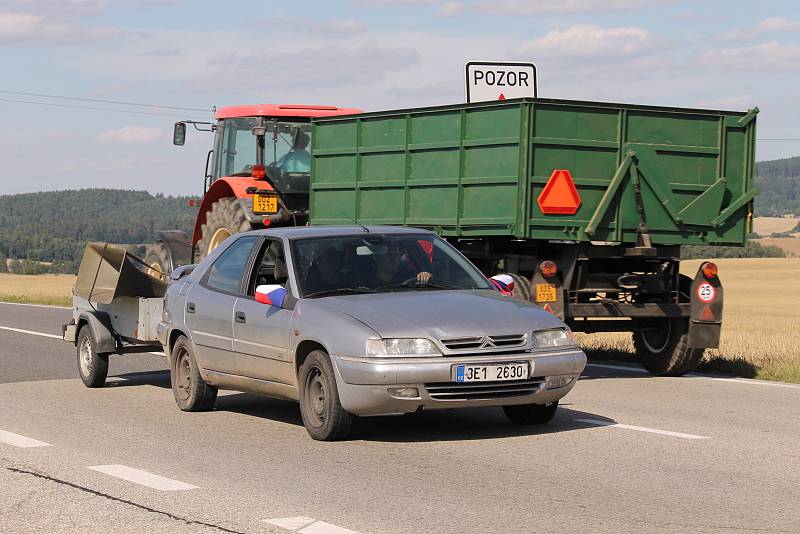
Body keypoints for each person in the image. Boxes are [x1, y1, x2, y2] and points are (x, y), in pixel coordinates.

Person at [368, 241, 432, 287]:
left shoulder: (408, 275)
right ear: (377, 258)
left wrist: (426, 275)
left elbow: (431, 281)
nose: (393, 259)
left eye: (396, 255)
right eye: (388, 255)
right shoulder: (366, 279)